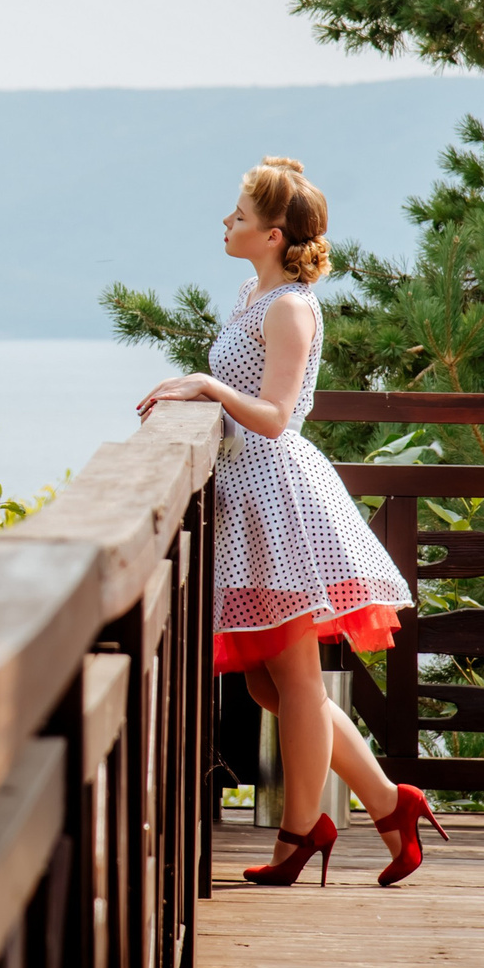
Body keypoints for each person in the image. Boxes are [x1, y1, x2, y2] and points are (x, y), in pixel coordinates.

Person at [136, 156, 445, 887]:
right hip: (249, 500)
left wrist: (206, 384)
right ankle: (389, 802)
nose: (227, 221)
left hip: (278, 498)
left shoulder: (290, 308)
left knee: (295, 681)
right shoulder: (254, 293)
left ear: (273, 234)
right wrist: (203, 391)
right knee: (270, 687)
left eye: (240, 215)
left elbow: (276, 417)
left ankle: (300, 834)